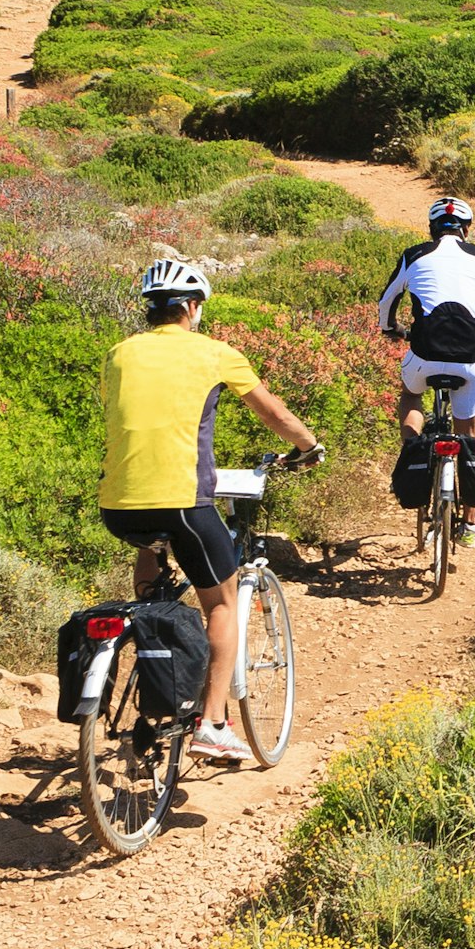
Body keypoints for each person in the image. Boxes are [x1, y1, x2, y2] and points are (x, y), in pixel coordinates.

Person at [95, 257, 321, 766]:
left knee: (153, 557)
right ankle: (214, 723)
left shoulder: (117, 354)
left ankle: (154, 640)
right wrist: (309, 447)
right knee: (218, 603)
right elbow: (275, 414)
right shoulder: (216, 353)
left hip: (118, 505)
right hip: (184, 502)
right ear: (192, 308)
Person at [379, 194, 475, 544]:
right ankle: (469, 521)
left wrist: (389, 328)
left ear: (431, 228)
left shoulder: (414, 255)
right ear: (466, 228)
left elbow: (386, 301)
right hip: (470, 361)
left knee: (411, 394)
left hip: (423, 355)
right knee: (466, 431)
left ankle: (414, 452)